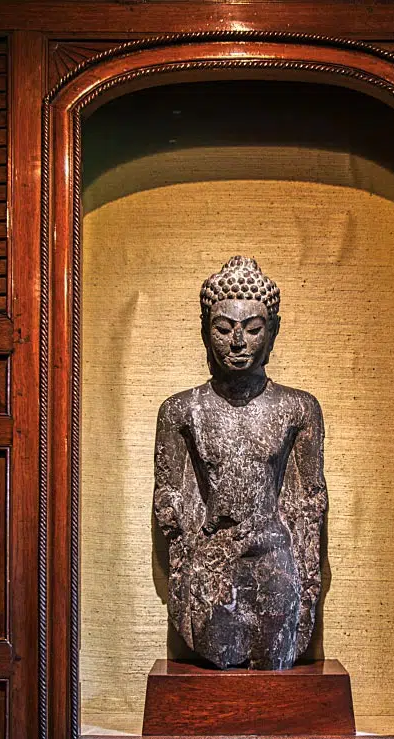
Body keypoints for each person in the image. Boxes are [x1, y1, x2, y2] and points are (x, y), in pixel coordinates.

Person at [153, 256, 327, 670]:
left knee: (274, 658)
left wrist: (306, 586)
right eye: (224, 328)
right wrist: (186, 571)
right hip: (212, 562)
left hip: (274, 558)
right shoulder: (182, 411)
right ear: (204, 330)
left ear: (273, 331)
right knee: (218, 650)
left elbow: (309, 503)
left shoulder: (298, 408)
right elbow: (170, 497)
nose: (238, 342)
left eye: (252, 329)